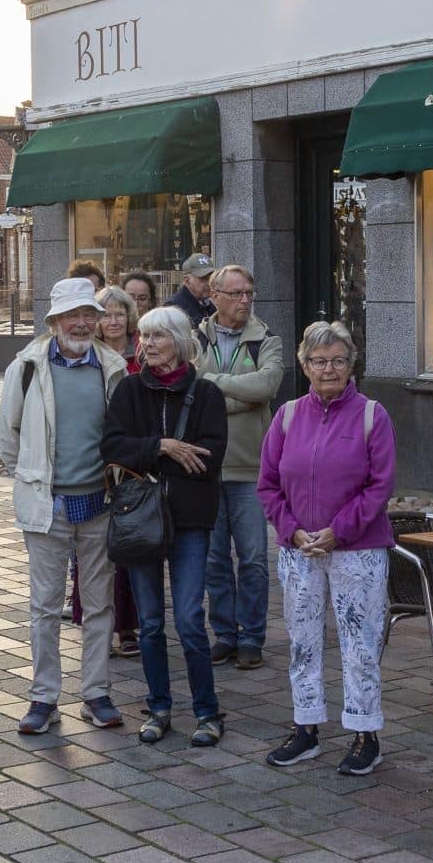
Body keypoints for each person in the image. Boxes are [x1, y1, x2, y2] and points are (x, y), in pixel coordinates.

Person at [259, 321, 396, 776]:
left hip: (356, 549)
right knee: (302, 641)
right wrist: (293, 530)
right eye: (319, 361)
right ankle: (306, 727)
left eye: (338, 360)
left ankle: (365, 734)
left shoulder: (372, 415)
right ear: (304, 366)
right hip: (299, 549)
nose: (329, 369)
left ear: (351, 364)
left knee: (361, 642)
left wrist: (338, 531)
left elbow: (379, 487)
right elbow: (268, 485)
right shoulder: (288, 416)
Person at [0, 278, 126, 735]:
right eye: (71, 315)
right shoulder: (27, 367)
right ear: (53, 321)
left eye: (88, 314)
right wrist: (34, 483)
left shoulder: (112, 368)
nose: (81, 323)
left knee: (98, 606)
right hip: (47, 507)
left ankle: (96, 692)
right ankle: (43, 697)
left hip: (99, 504)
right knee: (44, 606)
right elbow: (8, 438)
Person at [104, 307, 228, 747]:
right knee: (152, 622)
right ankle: (158, 707)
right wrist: (164, 446)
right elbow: (113, 447)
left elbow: (209, 458)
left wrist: (154, 455)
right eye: (145, 336)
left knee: (191, 619)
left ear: (179, 339)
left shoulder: (207, 394)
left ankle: (207, 712)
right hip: (141, 520)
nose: (149, 344)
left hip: (191, 521)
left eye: (158, 336)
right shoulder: (129, 391)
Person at [198, 264, 282, 669]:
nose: (245, 300)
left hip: (251, 469)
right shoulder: (194, 338)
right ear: (215, 295)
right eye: (236, 293)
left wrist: (215, 386)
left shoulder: (266, 339)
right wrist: (241, 397)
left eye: (249, 292)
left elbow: (266, 387)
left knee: (252, 559)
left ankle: (252, 637)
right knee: (214, 560)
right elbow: (190, 387)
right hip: (208, 468)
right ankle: (225, 634)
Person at [92, 286, 143, 658]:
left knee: (130, 546)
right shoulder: (88, 356)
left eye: (119, 313)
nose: (113, 321)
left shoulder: (142, 354)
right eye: (105, 314)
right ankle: (98, 625)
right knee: (94, 549)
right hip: (94, 461)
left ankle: (128, 626)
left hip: (134, 461)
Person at [170, 254, 216, 328]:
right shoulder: (174, 308)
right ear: (187, 281)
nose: (209, 283)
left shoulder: (207, 303)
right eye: (203, 278)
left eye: (211, 277)